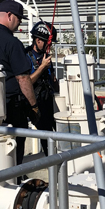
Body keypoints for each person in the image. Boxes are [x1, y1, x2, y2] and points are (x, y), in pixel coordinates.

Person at [0, 0, 39, 164]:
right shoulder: (12, 43)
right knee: (14, 146)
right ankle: (15, 179)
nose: (19, 25)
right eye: (18, 19)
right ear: (10, 16)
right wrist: (33, 106)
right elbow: (23, 79)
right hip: (11, 106)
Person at [26, 21, 59, 155]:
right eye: (47, 43)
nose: (49, 47)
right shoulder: (26, 56)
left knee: (60, 130)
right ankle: (51, 162)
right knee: (46, 135)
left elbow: (52, 79)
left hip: (49, 101)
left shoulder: (46, 57)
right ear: (38, 40)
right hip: (35, 104)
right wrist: (42, 68)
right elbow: (26, 82)